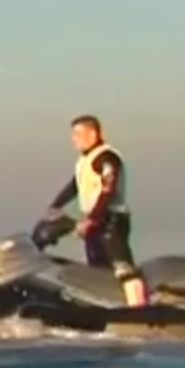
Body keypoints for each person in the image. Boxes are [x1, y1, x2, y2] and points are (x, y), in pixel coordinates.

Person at [33, 113, 147, 308]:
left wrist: (92, 219)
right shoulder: (84, 161)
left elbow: (108, 190)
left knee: (123, 267)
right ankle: (108, 307)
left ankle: (140, 309)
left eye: (78, 135)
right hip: (94, 222)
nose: (73, 140)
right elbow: (75, 186)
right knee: (98, 270)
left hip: (111, 220)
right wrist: (55, 205)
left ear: (93, 134)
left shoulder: (107, 158)